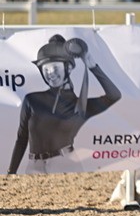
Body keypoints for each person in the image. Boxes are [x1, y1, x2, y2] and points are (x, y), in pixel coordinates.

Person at [8, 35, 122, 175]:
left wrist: (92, 66)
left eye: (55, 68)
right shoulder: (32, 100)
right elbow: (22, 138)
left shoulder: (80, 105)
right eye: (46, 69)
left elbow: (114, 96)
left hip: (66, 166)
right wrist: (11, 172)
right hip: (33, 167)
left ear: (68, 68)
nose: (51, 74)